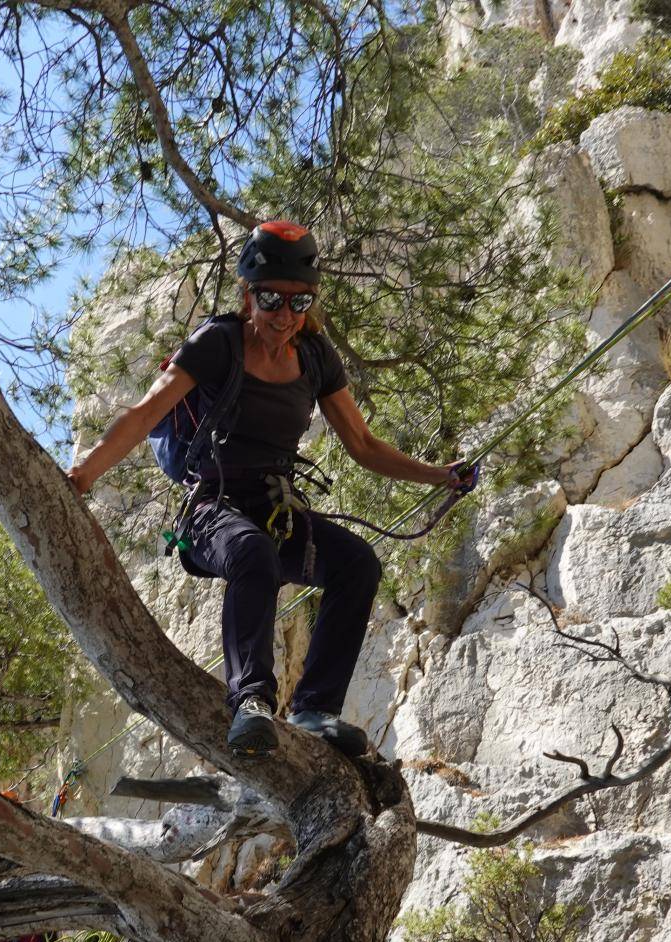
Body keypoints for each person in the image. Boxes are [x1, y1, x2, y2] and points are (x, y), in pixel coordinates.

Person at [68, 220, 472, 758]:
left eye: (298, 301)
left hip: (276, 505)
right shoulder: (218, 343)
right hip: (211, 509)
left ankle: (314, 710)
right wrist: (84, 474)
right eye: (271, 300)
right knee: (250, 552)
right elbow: (144, 414)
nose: (284, 315)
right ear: (248, 296)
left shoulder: (315, 356)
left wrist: (440, 474)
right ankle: (252, 701)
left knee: (356, 564)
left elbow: (363, 445)